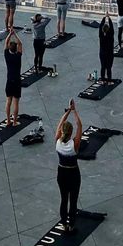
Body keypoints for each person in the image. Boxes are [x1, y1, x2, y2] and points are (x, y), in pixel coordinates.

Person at [55, 99, 83, 234]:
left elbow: (60, 124)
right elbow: (79, 125)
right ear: (71, 133)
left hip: (61, 173)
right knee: (73, 200)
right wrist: (74, 110)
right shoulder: (75, 144)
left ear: (61, 131)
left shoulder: (57, 140)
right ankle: (71, 224)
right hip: (73, 173)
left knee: (63, 199)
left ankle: (63, 224)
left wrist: (67, 111)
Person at [4, 28, 23, 125]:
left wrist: (10, 34)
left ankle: (8, 120)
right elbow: (20, 44)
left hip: (9, 80)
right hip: (17, 81)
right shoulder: (18, 56)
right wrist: (15, 34)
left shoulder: (7, 55)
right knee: (16, 102)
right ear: (16, 49)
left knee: (8, 101)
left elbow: (6, 42)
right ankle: (15, 121)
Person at [98, 12, 115, 84]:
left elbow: (100, 27)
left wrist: (104, 18)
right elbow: (112, 28)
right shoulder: (110, 36)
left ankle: (102, 79)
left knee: (103, 66)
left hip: (102, 53)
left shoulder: (101, 36)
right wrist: (109, 18)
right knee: (109, 67)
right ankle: (109, 80)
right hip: (110, 53)